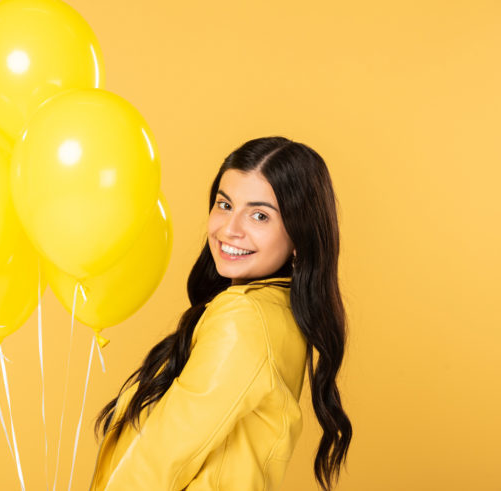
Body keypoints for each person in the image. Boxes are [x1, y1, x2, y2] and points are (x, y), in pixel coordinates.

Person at [89, 136, 352, 490]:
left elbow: (161, 456)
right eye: (225, 205)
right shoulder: (279, 313)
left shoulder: (243, 320)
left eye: (259, 215)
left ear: (298, 237)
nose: (230, 229)